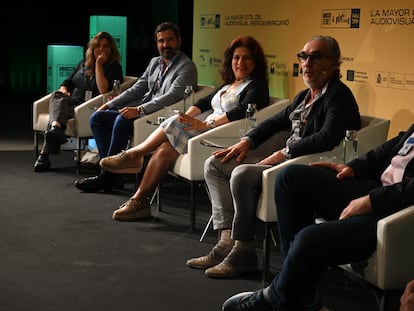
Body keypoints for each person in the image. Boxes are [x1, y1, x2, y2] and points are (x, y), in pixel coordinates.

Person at [186, 35, 362, 278]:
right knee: (215, 164)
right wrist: (247, 140)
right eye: (304, 56)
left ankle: (244, 250)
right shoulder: (304, 96)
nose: (307, 63)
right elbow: (275, 122)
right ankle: (226, 241)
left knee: (242, 174)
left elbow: (327, 138)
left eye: (316, 57)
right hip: (282, 161)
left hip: (303, 168)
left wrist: (283, 153)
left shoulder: (338, 96)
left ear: (333, 64)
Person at [221, 123, 414, 311]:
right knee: (289, 178)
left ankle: (280, 297)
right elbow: (394, 145)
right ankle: (298, 294)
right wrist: (354, 167)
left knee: (308, 238)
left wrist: (372, 200)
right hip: (377, 188)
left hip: (397, 211)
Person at [98, 35, 270, 221]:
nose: (240, 62)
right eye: (236, 57)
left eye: (247, 58)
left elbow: (242, 110)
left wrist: (207, 124)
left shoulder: (257, 86)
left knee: (176, 122)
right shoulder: (229, 84)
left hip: (219, 137)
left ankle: (134, 154)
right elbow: (204, 102)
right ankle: (139, 201)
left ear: (256, 62)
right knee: (165, 147)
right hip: (202, 131)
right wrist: (189, 116)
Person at [74, 22, 198, 192]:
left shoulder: (187, 67)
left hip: (160, 117)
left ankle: (108, 177)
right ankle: (111, 173)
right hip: (144, 112)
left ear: (179, 41)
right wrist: (110, 104)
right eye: (161, 41)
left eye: (170, 40)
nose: (165, 45)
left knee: (122, 118)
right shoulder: (155, 62)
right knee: (97, 118)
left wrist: (139, 110)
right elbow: (138, 88)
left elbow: (171, 97)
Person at [34, 31, 123, 172]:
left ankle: (44, 155)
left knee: (58, 112)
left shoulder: (114, 67)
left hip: (91, 107)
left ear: (111, 49)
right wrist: (64, 89)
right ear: (92, 48)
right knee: (57, 95)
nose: (101, 49)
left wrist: (99, 65)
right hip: (74, 102)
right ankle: (56, 128)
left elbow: (104, 90)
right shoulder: (84, 63)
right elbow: (68, 82)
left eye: (106, 46)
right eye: (98, 46)